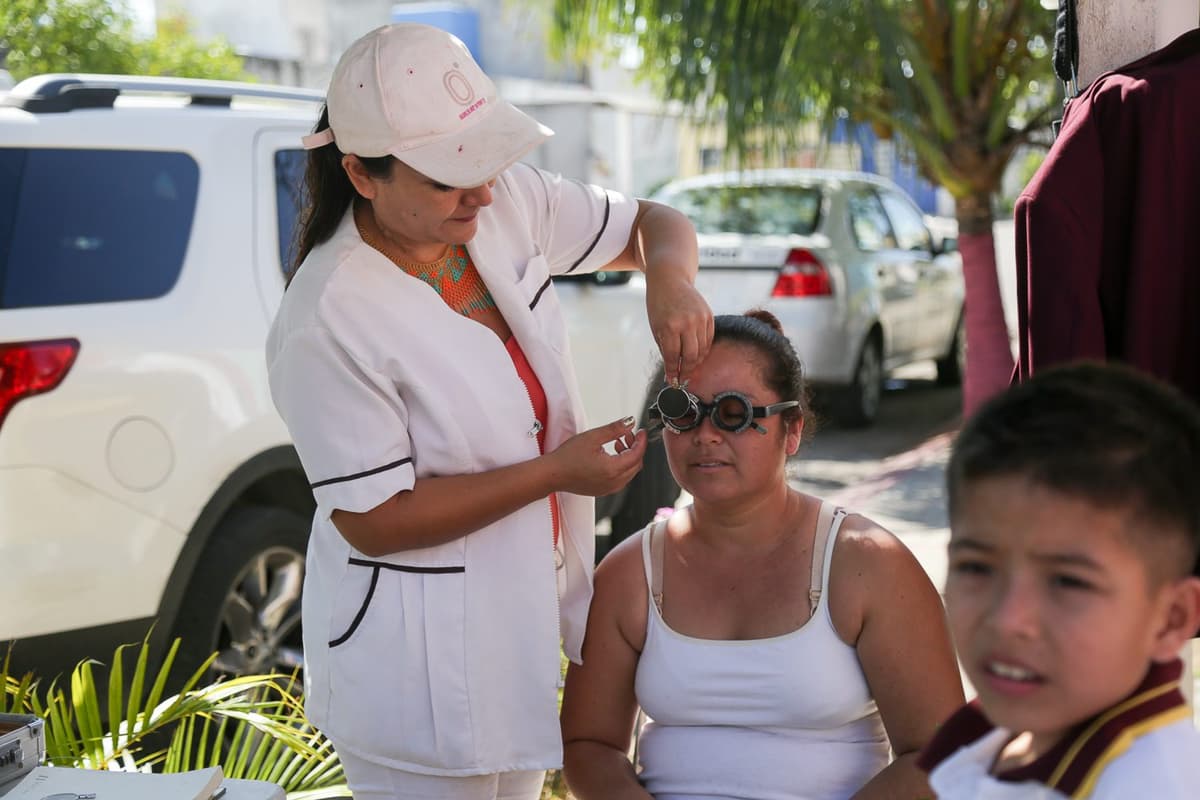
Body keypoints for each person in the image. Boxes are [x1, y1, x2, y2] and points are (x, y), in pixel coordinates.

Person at [265, 23, 713, 800]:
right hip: (412, 676)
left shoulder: (499, 204)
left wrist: (668, 282)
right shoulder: (327, 319)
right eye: (448, 177)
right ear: (362, 175)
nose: (481, 193)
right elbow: (373, 518)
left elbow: (655, 223)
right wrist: (555, 473)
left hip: (516, 627)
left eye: (484, 163)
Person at [560, 310, 964, 800]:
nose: (705, 434)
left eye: (734, 413)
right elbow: (589, 744)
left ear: (791, 430)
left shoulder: (867, 564)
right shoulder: (629, 574)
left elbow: (939, 755)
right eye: (682, 410)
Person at [919, 362, 1200, 798]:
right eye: (976, 567)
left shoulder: (1150, 786)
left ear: (1170, 619)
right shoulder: (999, 738)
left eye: (1069, 582)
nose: (1008, 620)